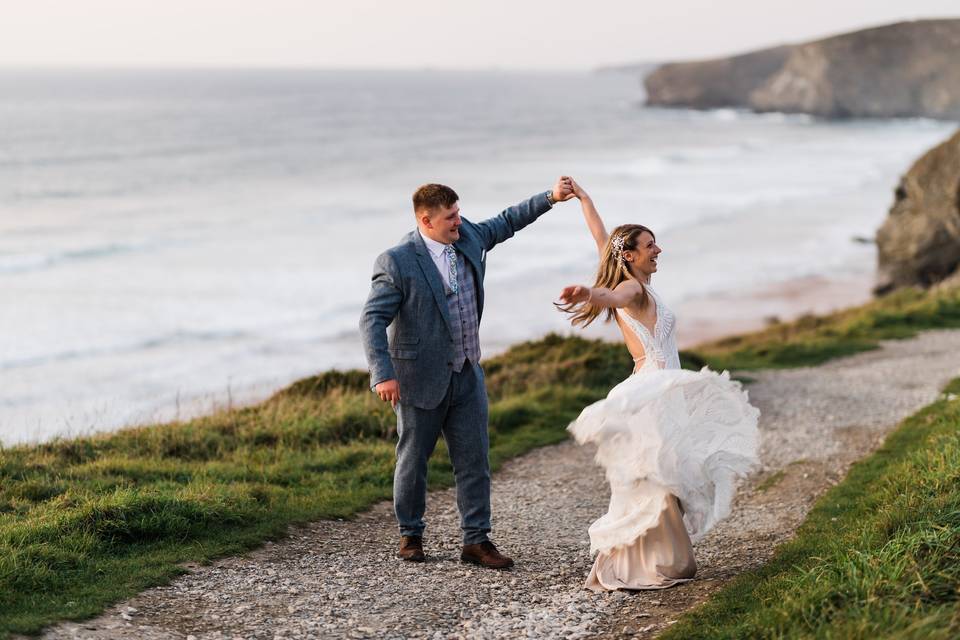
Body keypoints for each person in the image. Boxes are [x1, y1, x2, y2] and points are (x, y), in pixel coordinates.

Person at [360, 177, 575, 569]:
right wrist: (382, 373)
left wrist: (551, 198)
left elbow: (508, 220)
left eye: (458, 213)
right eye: (450, 217)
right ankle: (411, 534)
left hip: (467, 372)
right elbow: (372, 320)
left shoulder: (469, 236)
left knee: (475, 460)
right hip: (417, 378)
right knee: (413, 460)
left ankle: (476, 540)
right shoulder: (397, 261)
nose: (459, 222)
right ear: (426, 221)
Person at [556, 179, 759, 591]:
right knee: (661, 478)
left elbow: (603, 241)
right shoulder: (631, 290)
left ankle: (651, 556)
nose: (658, 249)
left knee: (661, 476)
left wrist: (586, 200)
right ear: (630, 256)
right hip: (654, 391)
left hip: (658, 389)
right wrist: (590, 294)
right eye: (650, 245)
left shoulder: (632, 281)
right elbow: (612, 295)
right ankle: (655, 560)